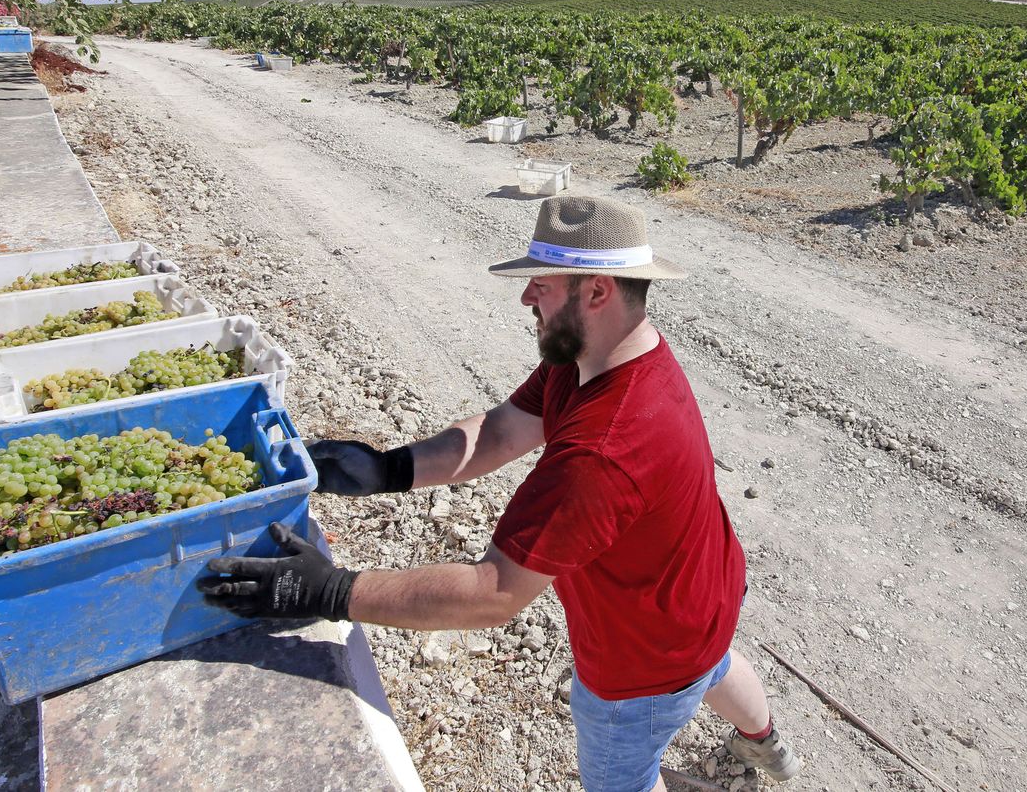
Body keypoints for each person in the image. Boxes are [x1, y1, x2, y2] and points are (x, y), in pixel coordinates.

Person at [199, 195, 804, 791]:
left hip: (639, 664)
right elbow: (504, 428)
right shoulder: (599, 355)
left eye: (541, 282)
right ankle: (765, 745)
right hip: (703, 595)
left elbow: (492, 595)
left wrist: (331, 591)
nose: (525, 297)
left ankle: (746, 741)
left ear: (596, 292)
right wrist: (390, 469)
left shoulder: (605, 447)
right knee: (713, 660)